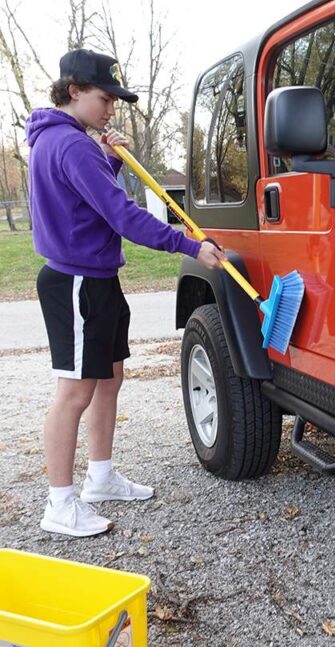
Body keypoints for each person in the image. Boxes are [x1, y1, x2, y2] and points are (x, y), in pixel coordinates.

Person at [25, 48, 225, 538]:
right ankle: (60, 503)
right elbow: (123, 217)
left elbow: (88, 204)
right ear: (74, 91)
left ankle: (99, 477)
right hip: (76, 282)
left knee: (109, 379)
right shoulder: (69, 145)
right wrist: (188, 244)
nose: (112, 107)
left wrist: (110, 163)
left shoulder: (74, 143)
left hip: (97, 278)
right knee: (74, 392)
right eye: (104, 97)